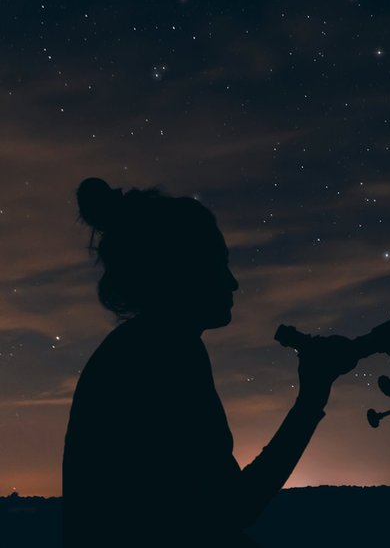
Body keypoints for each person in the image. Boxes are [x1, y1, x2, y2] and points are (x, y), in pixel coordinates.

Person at [62, 178, 357, 547]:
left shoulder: (146, 347)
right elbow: (231, 509)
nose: (233, 283)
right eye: (219, 264)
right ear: (179, 271)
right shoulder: (163, 356)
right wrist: (311, 399)